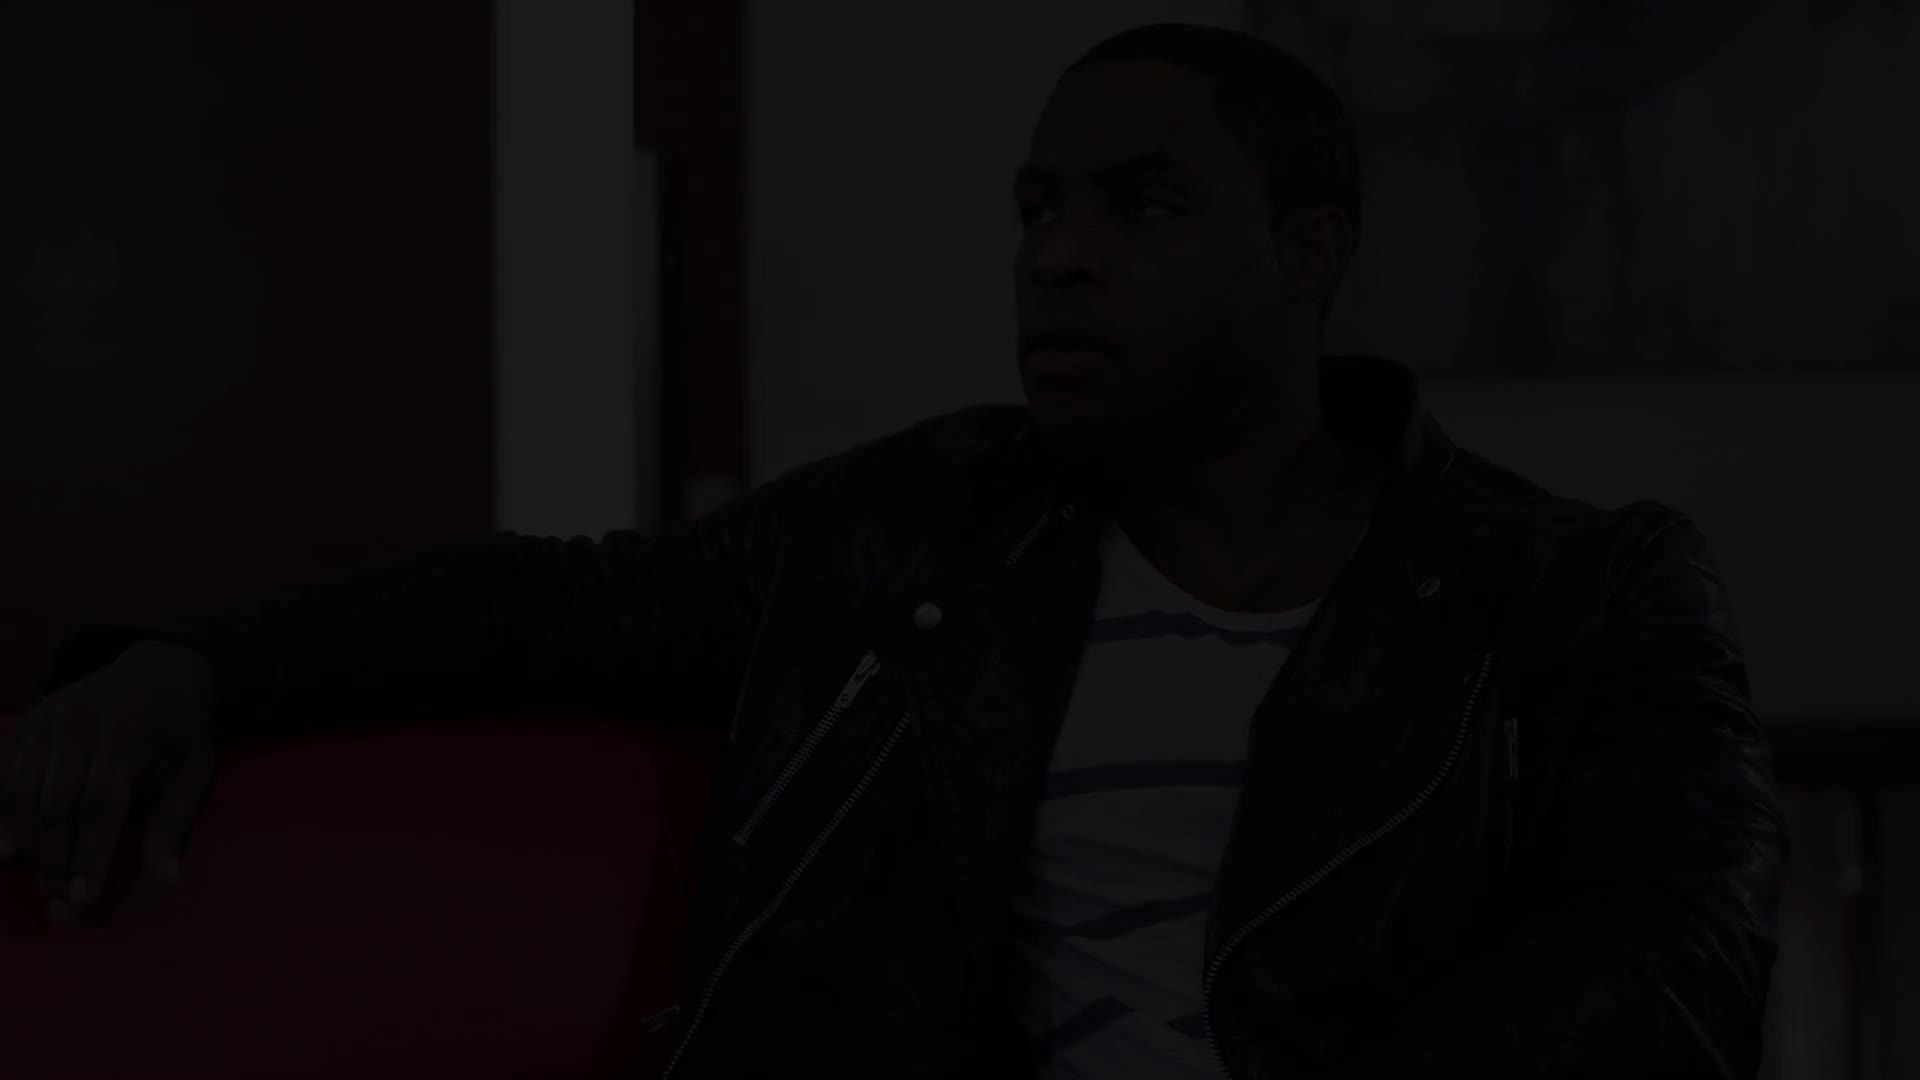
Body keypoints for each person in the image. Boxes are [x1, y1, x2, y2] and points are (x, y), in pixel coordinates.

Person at [0, 22, 1786, 1080]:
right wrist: (193, 657)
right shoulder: (924, 530)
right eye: (1037, 209)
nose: (1058, 255)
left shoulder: (1578, 591)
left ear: (1309, 249)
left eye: (1142, 206)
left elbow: (1674, 964)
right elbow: (546, 603)